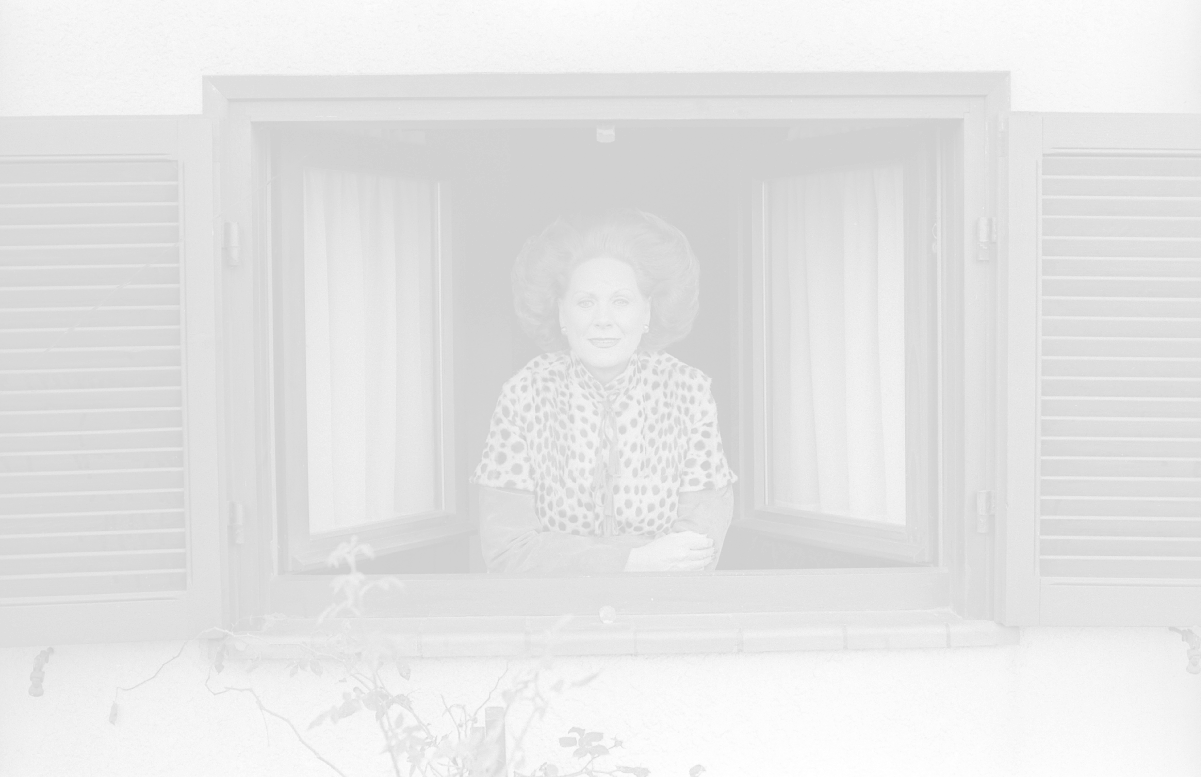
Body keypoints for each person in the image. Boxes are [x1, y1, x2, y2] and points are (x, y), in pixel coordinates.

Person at [470, 208, 737, 573]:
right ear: (561, 313)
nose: (603, 320)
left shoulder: (688, 393)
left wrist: (563, 555)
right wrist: (634, 559)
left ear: (647, 312)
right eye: (585, 302)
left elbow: (698, 550)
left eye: (621, 302)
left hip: (660, 602)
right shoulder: (524, 395)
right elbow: (507, 552)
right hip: (555, 606)